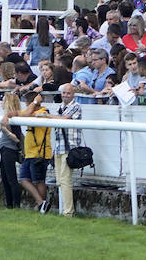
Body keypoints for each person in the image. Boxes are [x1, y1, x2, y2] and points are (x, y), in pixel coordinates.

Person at [51, 83, 84, 216]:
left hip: (69, 147)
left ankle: (68, 212)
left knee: (65, 180)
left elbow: (64, 119)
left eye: (68, 93)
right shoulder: (61, 107)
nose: (65, 95)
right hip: (59, 147)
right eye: (64, 93)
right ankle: (65, 209)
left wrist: (47, 116)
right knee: (59, 180)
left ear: (73, 94)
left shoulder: (76, 107)